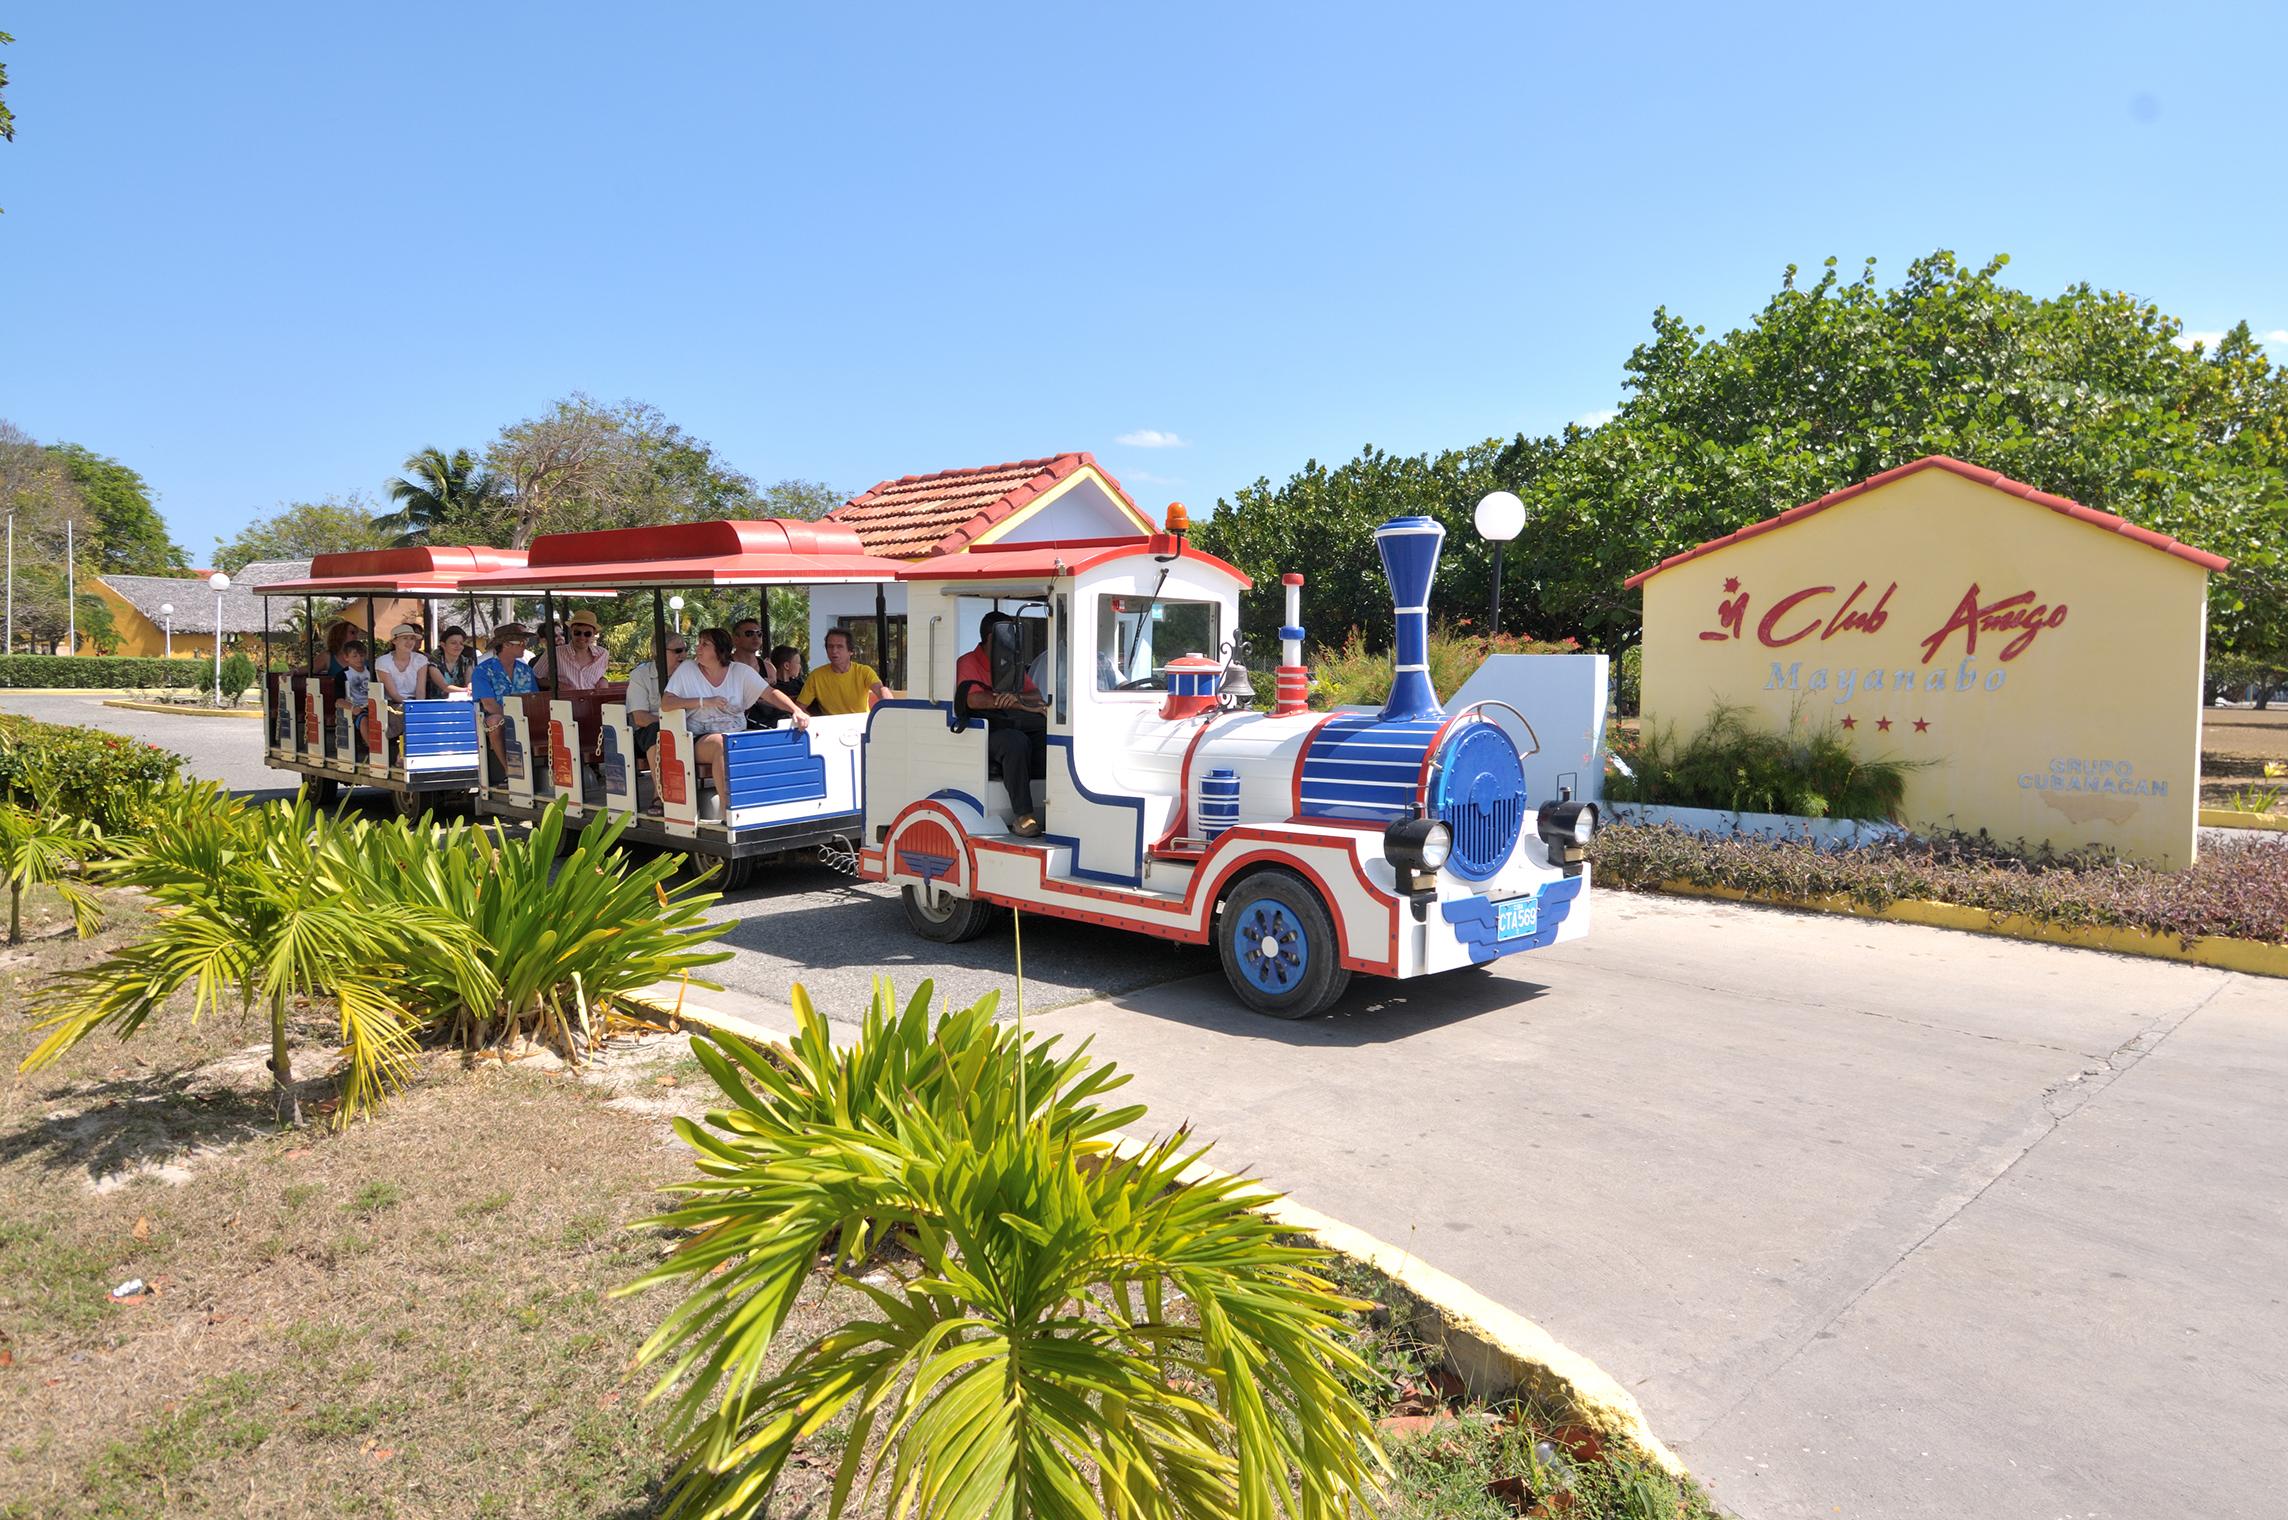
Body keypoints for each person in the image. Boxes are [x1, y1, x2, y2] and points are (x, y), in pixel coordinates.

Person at [663, 628, 807, 807]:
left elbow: (770, 693)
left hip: (737, 733)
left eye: (705, 644)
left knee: (768, 742)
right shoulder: (687, 670)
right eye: (698, 643)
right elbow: (666, 703)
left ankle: (776, 804)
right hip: (699, 737)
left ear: (720, 650)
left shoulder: (740, 672)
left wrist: (796, 711)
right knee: (723, 744)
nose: (697, 648)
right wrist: (703, 701)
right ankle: (728, 810)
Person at [954, 612, 1046, 836]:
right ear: (991, 637)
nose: (1013, 640)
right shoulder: (968, 661)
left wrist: (1018, 701)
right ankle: (1023, 815)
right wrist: (1008, 702)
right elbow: (972, 698)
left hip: (1011, 721)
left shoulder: (1010, 663)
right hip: (982, 732)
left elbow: (1035, 694)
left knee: (1048, 735)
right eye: (1008, 634)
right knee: (1015, 742)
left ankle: (1057, 805)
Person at [623, 634, 686, 810]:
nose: (683, 655)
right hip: (646, 733)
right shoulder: (640, 675)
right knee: (656, 732)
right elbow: (640, 718)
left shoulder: (689, 673)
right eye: (678, 651)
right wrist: (672, 724)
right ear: (658, 654)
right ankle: (659, 793)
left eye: (685, 650)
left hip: (685, 727)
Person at [471, 624, 539, 782]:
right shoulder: (482, 670)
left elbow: (534, 698)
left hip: (526, 715)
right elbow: (489, 704)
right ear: (506, 644)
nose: (525, 646)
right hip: (497, 717)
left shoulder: (526, 670)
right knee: (495, 721)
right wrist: (513, 718)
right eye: (521, 642)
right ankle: (508, 770)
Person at [796, 628, 891, 716]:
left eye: (839, 646)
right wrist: (814, 723)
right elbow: (799, 707)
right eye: (830, 646)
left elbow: (881, 690)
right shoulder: (816, 676)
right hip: (830, 730)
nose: (834, 651)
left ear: (851, 651)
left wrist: (891, 707)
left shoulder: (864, 672)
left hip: (861, 727)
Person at [549, 608, 610, 692]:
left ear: (594, 634)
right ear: (571, 631)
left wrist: (604, 680)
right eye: (577, 633)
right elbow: (537, 677)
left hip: (592, 702)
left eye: (587, 634)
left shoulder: (603, 654)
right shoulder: (555, 653)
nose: (582, 637)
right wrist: (559, 685)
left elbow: (600, 677)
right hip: (566, 703)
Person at [334, 639, 372, 759]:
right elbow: (338, 701)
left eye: (361, 655)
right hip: (357, 708)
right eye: (354, 656)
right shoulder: (342, 675)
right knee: (364, 720)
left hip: (375, 705)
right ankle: (373, 748)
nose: (359, 659)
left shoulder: (372, 672)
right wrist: (353, 708)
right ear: (346, 657)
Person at [430, 626, 476, 695]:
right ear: (443, 645)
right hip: (438, 703)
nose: (458, 646)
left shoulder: (466, 662)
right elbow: (444, 687)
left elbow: (469, 681)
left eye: (461, 643)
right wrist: (466, 690)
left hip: (462, 702)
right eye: (453, 643)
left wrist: (470, 686)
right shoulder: (434, 663)